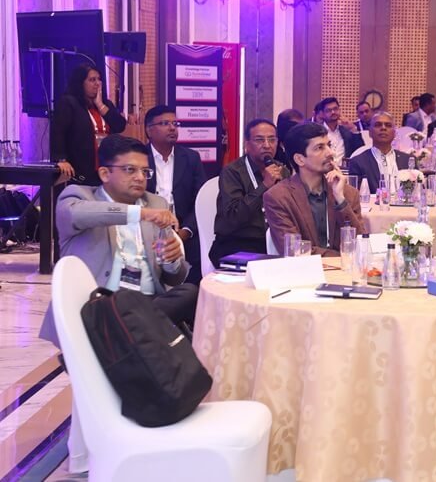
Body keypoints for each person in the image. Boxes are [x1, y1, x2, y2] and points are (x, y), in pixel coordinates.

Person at [40, 134, 198, 346]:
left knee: (190, 293)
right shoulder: (77, 197)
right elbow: (78, 214)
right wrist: (140, 213)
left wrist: (171, 260)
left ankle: (131, 335)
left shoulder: (156, 203)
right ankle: (137, 336)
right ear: (105, 173)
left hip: (147, 303)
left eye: (145, 171)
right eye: (130, 170)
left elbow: (174, 277)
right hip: (99, 307)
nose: (140, 177)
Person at [264, 123, 366, 256]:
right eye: (319, 148)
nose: (331, 153)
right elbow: (293, 250)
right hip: (305, 269)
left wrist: (340, 200)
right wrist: (341, 257)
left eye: (329, 145)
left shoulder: (348, 193)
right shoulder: (278, 197)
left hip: (346, 268)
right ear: (300, 159)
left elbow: (360, 244)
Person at [209, 118, 289, 266]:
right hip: (237, 243)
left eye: (272, 140)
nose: (267, 145)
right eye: (259, 140)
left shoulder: (282, 171)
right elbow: (233, 216)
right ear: (247, 145)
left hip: (273, 242)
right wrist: (264, 185)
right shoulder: (233, 172)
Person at [144, 105, 206, 284]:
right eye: (165, 123)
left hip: (183, 231)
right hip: (147, 230)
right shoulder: (140, 158)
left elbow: (200, 200)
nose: (172, 128)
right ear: (149, 130)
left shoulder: (191, 158)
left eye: (175, 123)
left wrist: (185, 231)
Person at [51, 63, 128, 186]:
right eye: (92, 80)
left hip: (107, 169)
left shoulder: (106, 104)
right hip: (81, 169)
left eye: (99, 79)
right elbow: (58, 132)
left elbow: (120, 125)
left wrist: (100, 105)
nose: (97, 83)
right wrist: (61, 159)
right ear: (81, 83)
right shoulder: (70, 103)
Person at [347, 112, 411, 193]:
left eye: (388, 125)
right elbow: (354, 195)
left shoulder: (408, 160)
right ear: (370, 132)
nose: (383, 128)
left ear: (394, 133)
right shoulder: (358, 162)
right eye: (378, 125)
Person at [319, 97, 364, 165]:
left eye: (335, 109)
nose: (333, 112)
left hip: (344, 170)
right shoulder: (317, 131)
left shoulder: (346, 131)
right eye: (329, 110)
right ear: (322, 114)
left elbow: (360, 151)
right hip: (323, 169)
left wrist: (353, 129)